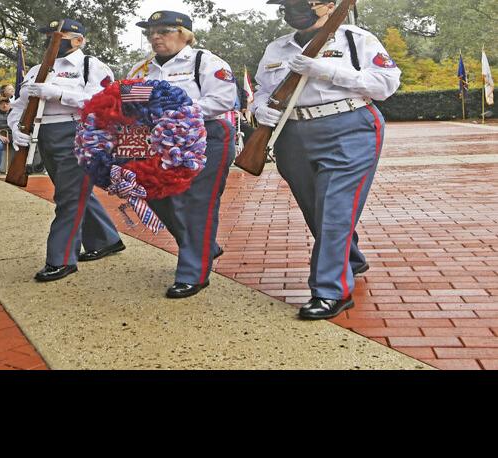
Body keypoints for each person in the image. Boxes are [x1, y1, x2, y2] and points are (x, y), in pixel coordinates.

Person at [252, 0, 401, 319]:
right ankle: (352, 258)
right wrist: (258, 109)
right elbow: (262, 89)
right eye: (287, 3)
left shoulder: (355, 39)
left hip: (349, 127)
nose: (293, 8)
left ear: (329, 5)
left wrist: (327, 70)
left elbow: (386, 84)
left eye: (302, 2)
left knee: (335, 207)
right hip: (293, 134)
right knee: (315, 208)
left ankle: (331, 289)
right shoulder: (277, 48)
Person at [126, 11, 238, 299]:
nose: (155, 36)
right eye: (150, 31)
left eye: (163, 30)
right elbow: (127, 101)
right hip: (157, 142)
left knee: (196, 204)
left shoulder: (206, 62)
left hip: (204, 137)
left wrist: (174, 111)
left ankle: (192, 273)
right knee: (150, 192)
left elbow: (223, 100)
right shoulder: (141, 69)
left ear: (185, 34)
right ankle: (203, 248)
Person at [9, 18, 123, 282]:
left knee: (69, 198)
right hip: (43, 135)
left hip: (77, 132)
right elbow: (18, 104)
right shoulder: (37, 68)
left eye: (58, 36)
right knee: (74, 190)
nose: (52, 41)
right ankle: (106, 239)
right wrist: (16, 127)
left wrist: (59, 94)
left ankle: (61, 258)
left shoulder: (90, 66)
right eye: (49, 36)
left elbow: (103, 101)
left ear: (78, 40)